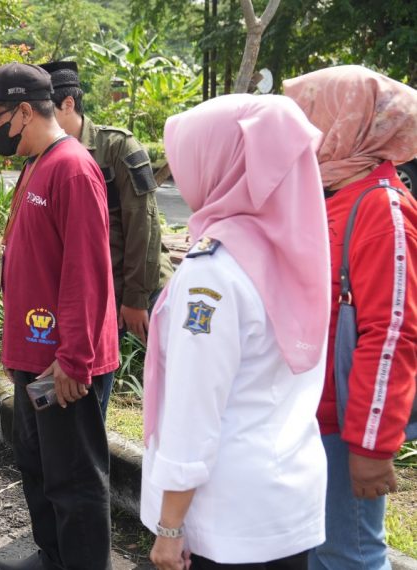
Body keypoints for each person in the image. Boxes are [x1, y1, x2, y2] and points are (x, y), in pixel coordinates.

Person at [139, 94, 330, 570]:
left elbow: (192, 409)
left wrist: (169, 527)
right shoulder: (294, 251)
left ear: (222, 165)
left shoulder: (212, 273)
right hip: (286, 498)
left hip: (226, 517)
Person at [0, 63, 118, 570]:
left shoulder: (72, 167)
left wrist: (75, 358)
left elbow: (85, 272)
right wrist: (15, 350)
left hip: (64, 362)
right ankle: (53, 555)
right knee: (37, 463)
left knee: (74, 477)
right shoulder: (36, 162)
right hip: (33, 351)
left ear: (25, 111)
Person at [284, 65, 417, 570]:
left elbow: (392, 335)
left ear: (346, 122)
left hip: (346, 429)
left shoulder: (381, 208)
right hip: (315, 418)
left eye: (309, 116)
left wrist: (372, 446)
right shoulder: (336, 193)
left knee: (349, 557)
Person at [39, 61, 172, 415]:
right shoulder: (45, 151)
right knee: (85, 381)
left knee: (159, 384)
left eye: (45, 109)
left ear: (68, 104)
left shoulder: (117, 147)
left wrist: (135, 298)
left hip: (134, 284)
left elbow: (143, 224)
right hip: (93, 285)